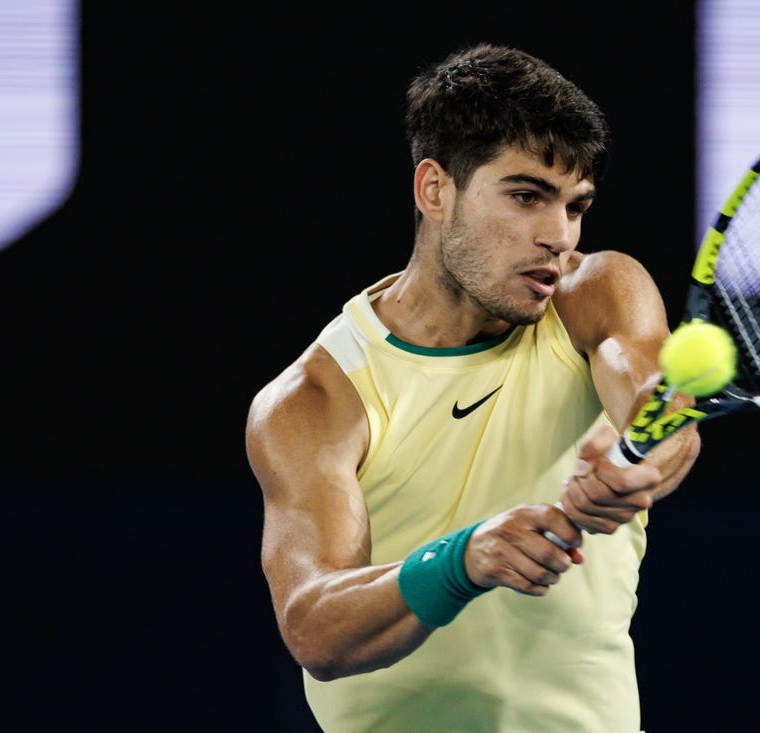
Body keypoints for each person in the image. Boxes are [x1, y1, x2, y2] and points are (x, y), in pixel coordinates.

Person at [245, 42, 701, 733]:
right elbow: (315, 629)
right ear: (435, 189)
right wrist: (463, 559)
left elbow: (660, 406)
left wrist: (635, 454)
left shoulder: (595, 292)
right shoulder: (316, 398)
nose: (557, 234)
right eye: (525, 196)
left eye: (575, 206)